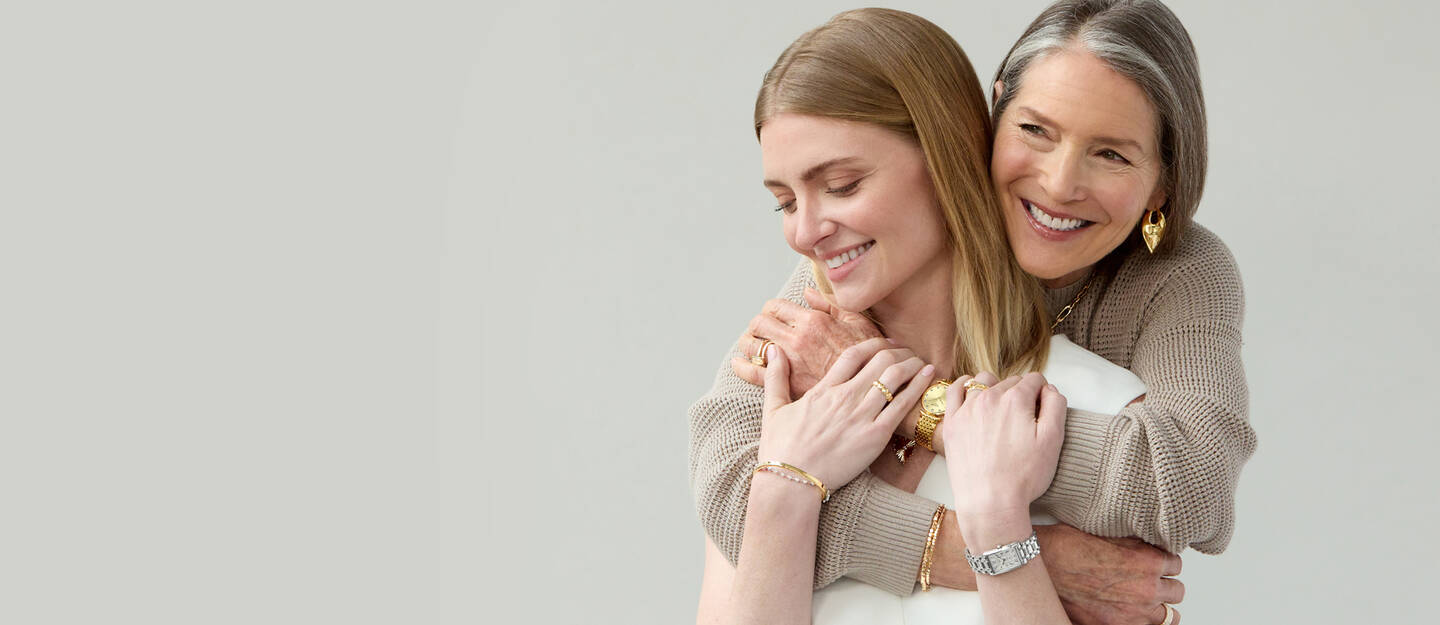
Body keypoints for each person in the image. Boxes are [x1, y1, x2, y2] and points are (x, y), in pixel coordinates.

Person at [692, 1, 1253, 624]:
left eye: (1112, 155)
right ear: (991, 117)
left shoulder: (1173, 276)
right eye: (1035, 130)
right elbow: (735, 493)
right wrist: (1031, 558)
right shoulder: (855, 269)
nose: (1058, 184)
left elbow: (1190, 488)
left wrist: (914, 406)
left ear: (1164, 183)